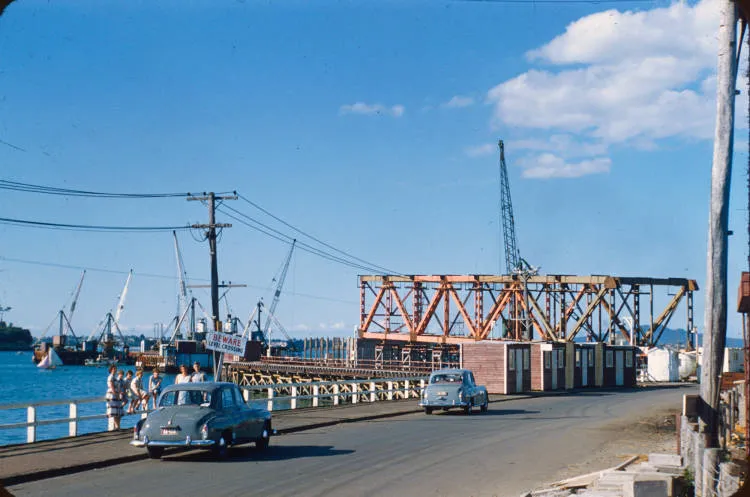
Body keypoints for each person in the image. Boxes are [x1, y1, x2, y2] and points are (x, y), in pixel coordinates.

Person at [105, 365, 123, 430]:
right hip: (112, 394)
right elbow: (112, 386)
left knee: (118, 411)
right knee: (115, 411)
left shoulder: (114, 377)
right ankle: (117, 427)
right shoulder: (110, 377)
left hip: (116, 393)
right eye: (113, 369)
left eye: (115, 369)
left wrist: (119, 392)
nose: (114, 370)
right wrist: (115, 394)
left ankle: (118, 426)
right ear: (111, 370)